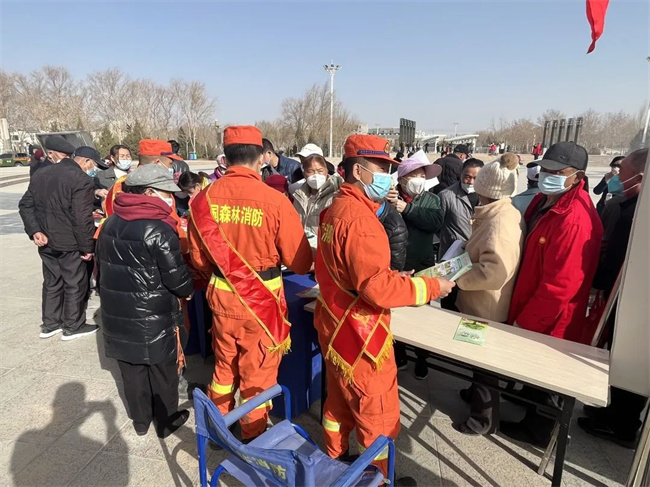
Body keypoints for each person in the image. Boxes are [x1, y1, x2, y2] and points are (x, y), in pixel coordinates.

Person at [314, 134, 455, 484]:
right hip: (361, 335)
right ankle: (377, 479)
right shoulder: (362, 220)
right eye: (380, 168)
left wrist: (391, 277)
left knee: (338, 402)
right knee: (376, 413)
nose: (387, 177)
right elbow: (376, 289)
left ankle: (334, 461)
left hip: (334, 323)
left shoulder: (333, 210)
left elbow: (350, 272)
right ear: (357, 171)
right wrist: (431, 287)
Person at [188, 126, 313, 441]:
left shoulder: (202, 200)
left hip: (221, 298)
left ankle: (218, 430)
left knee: (223, 367)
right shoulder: (275, 201)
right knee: (257, 377)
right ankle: (251, 437)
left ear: (226, 157)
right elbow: (300, 262)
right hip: (262, 305)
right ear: (261, 158)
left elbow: (199, 261)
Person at [502, 141, 604, 447]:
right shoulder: (548, 200)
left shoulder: (573, 219)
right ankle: (529, 399)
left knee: (547, 373)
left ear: (577, 176)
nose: (547, 175)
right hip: (532, 297)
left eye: (557, 172)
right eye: (544, 169)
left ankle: (539, 430)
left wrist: (526, 322)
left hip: (552, 315)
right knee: (534, 370)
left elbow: (561, 286)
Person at [96, 164, 194, 438]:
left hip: (117, 313)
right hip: (154, 315)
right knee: (162, 369)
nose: (170, 199)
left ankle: (140, 421)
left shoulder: (110, 222)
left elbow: (100, 270)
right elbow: (177, 278)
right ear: (149, 192)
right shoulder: (159, 229)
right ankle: (166, 422)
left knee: (132, 368)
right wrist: (188, 290)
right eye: (166, 192)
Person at [578, 148, 648, 448]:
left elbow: (620, 258)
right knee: (617, 356)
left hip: (632, 301)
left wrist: (599, 284)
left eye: (623, 173)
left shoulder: (638, 216)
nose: (617, 177)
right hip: (620, 295)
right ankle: (614, 411)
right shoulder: (629, 206)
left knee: (630, 359)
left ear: (641, 177)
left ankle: (623, 424)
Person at [451, 153, 525, 435]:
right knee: (478, 364)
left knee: (485, 369)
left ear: (485, 188)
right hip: (482, 302)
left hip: (486, 307)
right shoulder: (499, 213)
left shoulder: (499, 223)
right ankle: (476, 396)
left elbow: (494, 272)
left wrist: (458, 278)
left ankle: (483, 421)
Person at [18, 135, 98, 341]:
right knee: (75, 283)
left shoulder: (40, 174)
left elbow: (25, 205)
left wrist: (35, 231)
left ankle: (50, 324)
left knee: (52, 281)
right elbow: (82, 218)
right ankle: (73, 326)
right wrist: (87, 247)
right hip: (70, 241)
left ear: (54, 154)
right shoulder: (80, 179)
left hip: (45, 239)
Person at [388, 151, 444, 380]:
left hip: (422, 265)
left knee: (423, 315)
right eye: (415, 175)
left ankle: (422, 358)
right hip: (397, 264)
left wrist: (407, 209)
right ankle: (399, 355)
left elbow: (436, 222)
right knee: (397, 314)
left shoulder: (432, 199)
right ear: (402, 179)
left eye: (423, 175)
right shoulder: (389, 197)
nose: (420, 179)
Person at [292, 154, 343, 235]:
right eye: (310, 171)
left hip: (322, 241)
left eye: (320, 171)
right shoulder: (299, 195)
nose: (316, 175)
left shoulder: (335, 193)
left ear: (326, 171)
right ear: (304, 174)